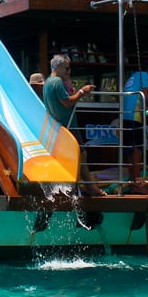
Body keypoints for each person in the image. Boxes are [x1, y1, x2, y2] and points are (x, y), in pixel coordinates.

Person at [42, 54, 101, 195]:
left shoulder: (48, 82)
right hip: (67, 126)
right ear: (59, 67)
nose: (69, 72)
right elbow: (67, 102)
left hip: (57, 126)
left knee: (75, 155)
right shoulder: (57, 82)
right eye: (67, 68)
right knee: (81, 153)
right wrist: (82, 91)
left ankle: (77, 186)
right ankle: (88, 186)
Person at [121, 69, 148, 182]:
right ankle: (138, 182)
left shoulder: (131, 77)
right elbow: (147, 94)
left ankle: (132, 180)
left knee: (129, 149)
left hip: (125, 116)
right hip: (135, 116)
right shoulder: (143, 74)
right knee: (137, 149)